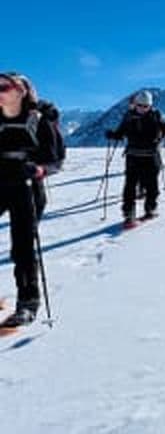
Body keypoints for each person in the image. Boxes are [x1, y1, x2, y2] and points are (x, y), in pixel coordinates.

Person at [0, 72, 64, 326]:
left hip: (26, 188)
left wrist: (38, 169)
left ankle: (28, 302)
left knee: (23, 246)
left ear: (21, 91)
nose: (0, 90)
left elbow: (56, 160)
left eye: (4, 86)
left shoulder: (38, 120)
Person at [105, 90, 165, 227]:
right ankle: (129, 214)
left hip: (151, 155)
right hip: (134, 156)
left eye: (145, 106)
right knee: (130, 186)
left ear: (150, 105)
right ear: (135, 104)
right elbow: (120, 133)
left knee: (151, 185)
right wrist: (113, 135)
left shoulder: (157, 115)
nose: (142, 108)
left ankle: (150, 209)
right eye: (140, 105)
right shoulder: (129, 116)